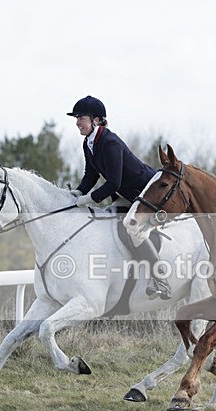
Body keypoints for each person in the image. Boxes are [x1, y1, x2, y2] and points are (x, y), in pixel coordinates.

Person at [67, 95, 171, 300]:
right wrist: (78, 192)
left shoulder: (110, 142)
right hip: (128, 194)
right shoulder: (89, 142)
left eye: (81, 118)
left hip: (145, 193)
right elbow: (91, 174)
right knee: (106, 220)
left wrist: (89, 199)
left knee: (132, 229)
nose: (77, 122)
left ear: (96, 120)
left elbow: (113, 182)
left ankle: (161, 279)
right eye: (76, 118)